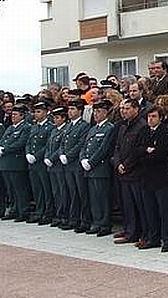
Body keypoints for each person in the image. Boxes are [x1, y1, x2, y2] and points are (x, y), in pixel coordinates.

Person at [139, 105, 168, 252]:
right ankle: (153, 238)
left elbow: (162, 153)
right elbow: (137, 149)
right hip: (146, 176)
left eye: (154, 116)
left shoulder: (165, 132)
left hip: (161, 177)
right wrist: (146, 150)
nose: (150, 119)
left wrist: (147, 154)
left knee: (164, 210)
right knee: (150, 209)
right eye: (149, 116)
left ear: (161, 118)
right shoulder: (144, 131)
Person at [112, 99, 147, 245]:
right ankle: (129, 230)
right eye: (122, 108)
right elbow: (118, 147)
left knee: (139, 205)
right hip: (123, 172)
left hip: (135, 171)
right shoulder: (123, 126)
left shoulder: (142, 126)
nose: (123, 111)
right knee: (126, 204)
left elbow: (138, 150)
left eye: (127, 108)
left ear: (136, 109)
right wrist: (118, 163)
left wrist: (126, 165)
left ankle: (140, 233)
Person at [80, 100, 115, 237]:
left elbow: (104, 149)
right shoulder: (93, 129)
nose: (95, 114)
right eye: (94, 111)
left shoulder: (109, 128)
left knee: (102, 197)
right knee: (93, 198)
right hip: (90, 169)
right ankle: (96, 222)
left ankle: (105, 223)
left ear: (105, 113)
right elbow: (85, 146)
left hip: (100, 168)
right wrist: (83, 159)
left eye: (99, 111)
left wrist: (91, 161)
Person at [0, 105, 32, 221]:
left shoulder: (26, 127)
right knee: (11, 189)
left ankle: (23, 211)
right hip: (6, 163)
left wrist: (5, 149)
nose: (13, 117)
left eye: (16, 114)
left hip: (16, 162)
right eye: (12, 114)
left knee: (20, 189)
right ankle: (14, 209)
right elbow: (3, 139)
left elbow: (20, 143)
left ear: (22, 116)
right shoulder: (10, 128)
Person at [60, 99, 91, 232]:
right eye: (69, 109)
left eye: (73, 109)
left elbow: (81, 144)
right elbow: (62, 142)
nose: (70, 112)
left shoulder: (84, 126)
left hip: (76, 163)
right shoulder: (68, 126)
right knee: (72, 193)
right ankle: (73, 219)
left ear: (80, 111)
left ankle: (85, 221)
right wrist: (61, 154)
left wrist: (69, 155)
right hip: (67, 165)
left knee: (81, 193)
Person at [25, 102, 54, 224]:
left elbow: (48, 145)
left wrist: (36, 156)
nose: (36, 114)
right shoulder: (34, 127)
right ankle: (39, 212)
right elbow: (29, 142)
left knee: (46, 189)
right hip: (32, 163)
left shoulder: (50, 127)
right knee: (37, 189)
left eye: (39, 112)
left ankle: (48, 213)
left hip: (42, 162)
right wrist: (28, 153)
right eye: (35, 112)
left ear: (46, 112)